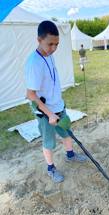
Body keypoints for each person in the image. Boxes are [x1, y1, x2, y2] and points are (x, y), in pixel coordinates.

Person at [25, 21, 87, 183]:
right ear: (39, 40)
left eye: (56, 44)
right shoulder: (34, 63)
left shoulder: (49, 55)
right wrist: (50, 113)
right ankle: (51, 168)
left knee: (66, 133)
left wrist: (59, 104)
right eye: (50, 44)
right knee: (49, 142)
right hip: (46, 113)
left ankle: (70, 155)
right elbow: (30, 94)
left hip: (59, 106)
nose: (53, 48)